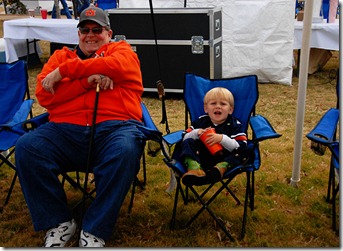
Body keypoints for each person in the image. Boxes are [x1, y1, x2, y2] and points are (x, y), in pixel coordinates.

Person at [15, 5, 146, 247]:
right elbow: (45, 95)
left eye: (97, 29)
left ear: (109, 33)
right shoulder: (59, 56)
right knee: (27, 147)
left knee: (126, 149)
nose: (90, 35)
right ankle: (59, 222)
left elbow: (116, 67)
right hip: (64, 130)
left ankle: (95, 228)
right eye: (84, 29)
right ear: (78, 34)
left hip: (114, 128)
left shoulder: (122, 51)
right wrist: (86, 81)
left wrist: (64, 73)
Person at [180, 87, 249, 186]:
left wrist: (222, 139)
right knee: (187, 142)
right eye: (213, 103)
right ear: (206, 108)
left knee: (245, 151)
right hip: (201, 158)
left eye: (223, 104)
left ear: (230, 110)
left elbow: (241, 145)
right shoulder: (201, 121)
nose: (218, 107)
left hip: (225, 159)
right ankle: (194, 170)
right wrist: (197, 132)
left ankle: (220, 168)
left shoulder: (234, 124)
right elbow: (184, 138)